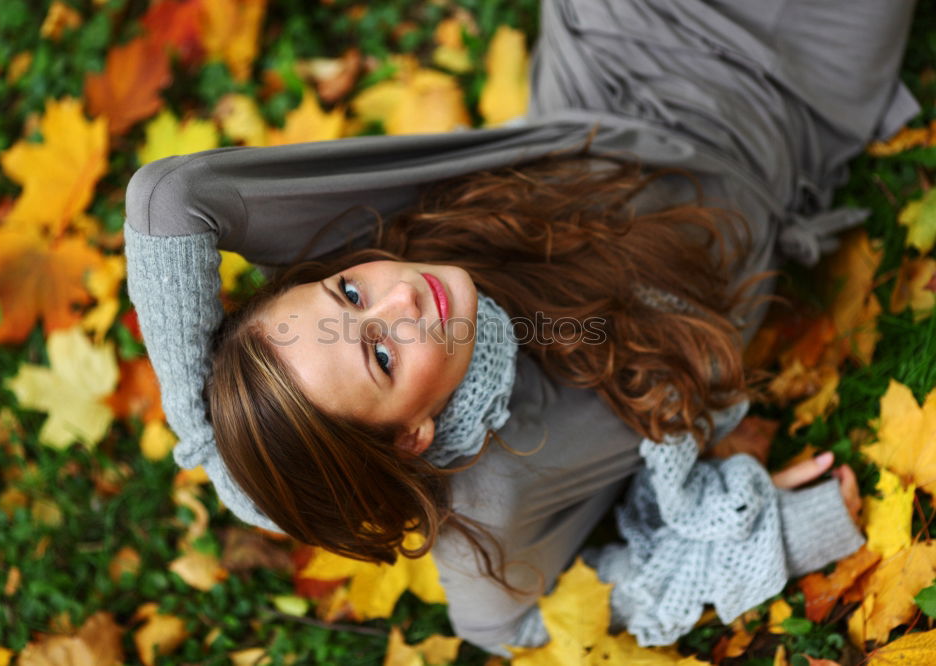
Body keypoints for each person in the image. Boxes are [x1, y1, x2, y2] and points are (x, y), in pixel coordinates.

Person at [123, 0, 920, 656]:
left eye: (349, 293)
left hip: (628, 40)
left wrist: (212, 446)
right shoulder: (496, 497)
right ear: (411, 437)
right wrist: (773, 531)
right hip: (798, 111)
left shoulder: (379, 236)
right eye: (377, 354)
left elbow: (169, 196)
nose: (399, 302)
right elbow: (513, 630)